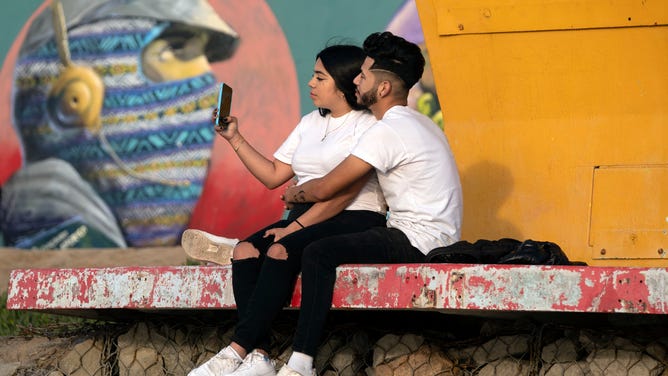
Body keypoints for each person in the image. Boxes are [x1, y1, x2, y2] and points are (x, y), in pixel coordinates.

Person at [187, 44, 387, 376]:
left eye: (320, 77)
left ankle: (236, 349)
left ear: (343, 83)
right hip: (303, 217)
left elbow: (342, 196)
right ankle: (260, 356)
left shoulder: (366, 126)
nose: (311, 83)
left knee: (279, 250)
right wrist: (234, 138)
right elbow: (274, 176)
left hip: (354, 216)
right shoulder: (310, 123)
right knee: (246, 250)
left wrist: (293, 229)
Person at [277, 31, 463, 376]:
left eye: (363, 76)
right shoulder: (419, 123)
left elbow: (327, 187)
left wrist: (293, 194)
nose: (356, 81)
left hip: (416, 242)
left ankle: (300, 362)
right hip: (433, 238)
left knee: (318, 252)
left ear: (383, 89)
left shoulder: (387, 129)